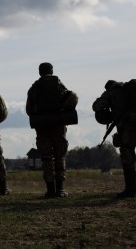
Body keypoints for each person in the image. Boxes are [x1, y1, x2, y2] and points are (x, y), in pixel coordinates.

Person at [92, 79, 136, 198]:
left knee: (128, 158)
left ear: (107, 87)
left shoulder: (111, 91)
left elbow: (97, 106)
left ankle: (131, 190)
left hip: (127, 128)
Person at [27, 63, 78, 198]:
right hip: (58, 125)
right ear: (52, 71)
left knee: (46, 158)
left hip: (42, 126)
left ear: (39, 72)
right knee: (59, 156)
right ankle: (60, 190)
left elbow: (29, 110)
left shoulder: (34, 87)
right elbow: (72, 98)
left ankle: (50, 190)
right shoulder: (58, 84)